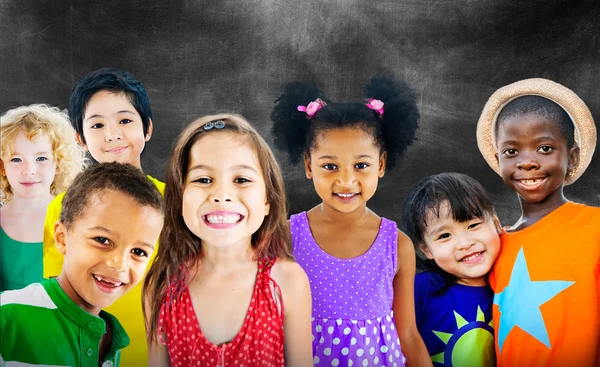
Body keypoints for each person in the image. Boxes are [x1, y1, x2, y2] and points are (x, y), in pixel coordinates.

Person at [271, 75, 431, 366]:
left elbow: (407, 333)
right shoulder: (286, 236)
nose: (346, 180)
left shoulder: (397, 245)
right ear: (309, 165)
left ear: (380, 164)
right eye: (330, 166)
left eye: (361, 165)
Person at [144, 114, 313, 366]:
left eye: (241, 180)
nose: (221, 195)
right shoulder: (163, 283)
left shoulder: (288, 281)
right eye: (203, 180)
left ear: (267, 201)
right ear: (179, 199)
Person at [42, 68, 164, 366]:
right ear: (80, 138)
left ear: (147, 128)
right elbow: (58, 295)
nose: (112, 134)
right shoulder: (61, 207)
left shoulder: (176, 200)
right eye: (96, 125)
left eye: (125, 120)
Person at [476, 78, 600, 366]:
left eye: (544, 148)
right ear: (498, 159)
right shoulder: (494, 244)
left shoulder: (594, 227)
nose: (526, 162)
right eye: (511, 152)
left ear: (572, 157)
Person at [0, 162, 164, 366]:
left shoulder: (114, 341)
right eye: (102, 240)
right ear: (61, 238)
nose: (120, 264)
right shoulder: (7, 316)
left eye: (138, 252)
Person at [401, 172, 501, 367]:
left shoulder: (513, 279)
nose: (464, 243)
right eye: (445, 235)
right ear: (426, 249)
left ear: (496, 223)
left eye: (473, 225)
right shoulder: (418, 290)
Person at [0, 104, 86, 291]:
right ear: (2, 166)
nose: (29, 171)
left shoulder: (78, 221)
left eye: (41, 159)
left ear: (59, 163)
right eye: (16, 159)